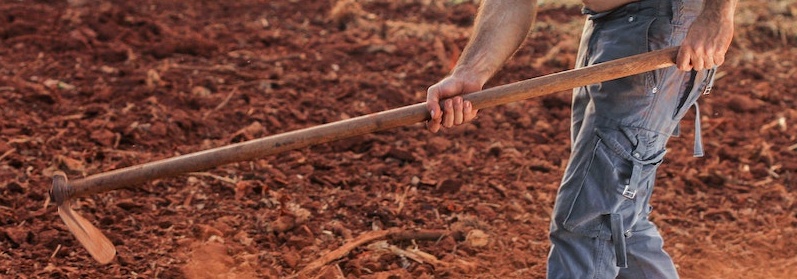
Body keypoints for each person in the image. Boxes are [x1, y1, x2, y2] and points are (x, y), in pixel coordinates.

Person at [425, 0, 736, 278]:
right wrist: (470, 71)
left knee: (589, 221)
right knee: (615, 215)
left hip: (660, 29)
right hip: (610, 30)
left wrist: (718, 12)